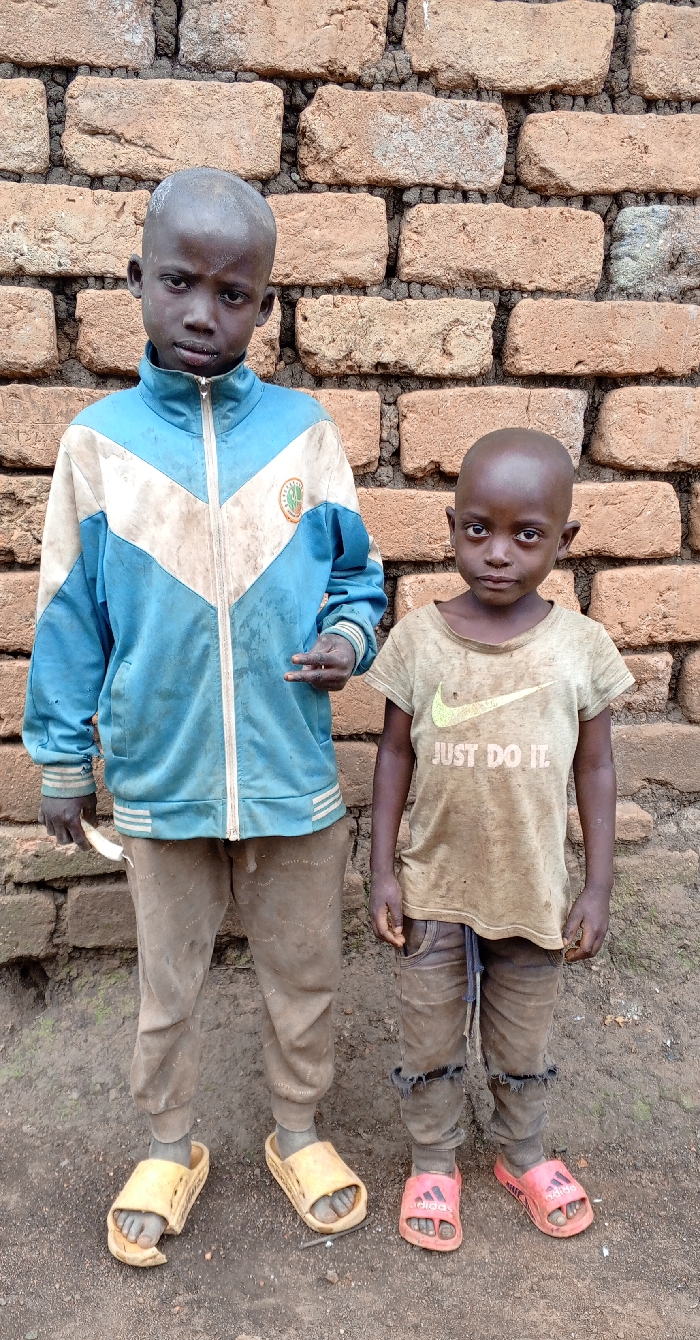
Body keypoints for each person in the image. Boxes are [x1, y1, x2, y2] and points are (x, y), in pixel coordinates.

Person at [23, 167, 386, 1266]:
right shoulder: (98, 444)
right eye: (179, 281)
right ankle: (169, 1143)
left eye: (233, 294)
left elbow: (357, 580)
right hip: (161, 773)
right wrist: (61, 759)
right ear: (137, 278)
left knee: (304, 969)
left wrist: (349, 639)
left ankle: (298, 1129)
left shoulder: (304, 436)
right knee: (166, 978)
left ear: (265, 307)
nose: (201, 312)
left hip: (291, 774)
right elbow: (67, 618)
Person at [366, 429, 634, 1251]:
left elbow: (597, 768)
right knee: (429, 1038)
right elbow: (394, 755)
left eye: (527, 535)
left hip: (531, 890)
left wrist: (597, 886)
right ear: (451, 527)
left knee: (523, 1041)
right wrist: (381, 871)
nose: (498, 554)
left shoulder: (580, 647)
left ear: (564, 541)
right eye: (478, 529)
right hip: (434, 887)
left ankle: (523, 1153)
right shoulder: (418, 639)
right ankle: (433, 1160)